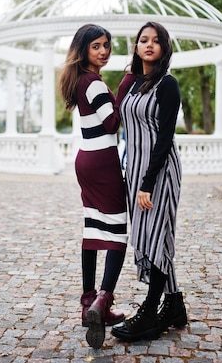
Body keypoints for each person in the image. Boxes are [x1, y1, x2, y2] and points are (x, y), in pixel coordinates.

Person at [111, 21, 188, 342]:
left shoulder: (167, 85)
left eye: (156, 41)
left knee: (157, 239)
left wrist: (147, 182)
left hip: (159, 174)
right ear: (137, 46)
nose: (149, 45)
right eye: (143, 40)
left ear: (164, 48)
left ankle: (150, 313)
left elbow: (165, 138)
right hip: (135, 174)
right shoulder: (133, 84)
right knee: (147, 237)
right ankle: (174, 306)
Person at [58, 24, 128, 349]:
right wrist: (126, 84)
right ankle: (103, 303)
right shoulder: (94, 82)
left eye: (106, 46)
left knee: (92, 229)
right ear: (84, 49)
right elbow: (112, 122)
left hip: (85, 160)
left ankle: (88, 304)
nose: (103, 51)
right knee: (117, 233)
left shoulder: (79, 80)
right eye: (97, 46)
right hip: (103, 163)